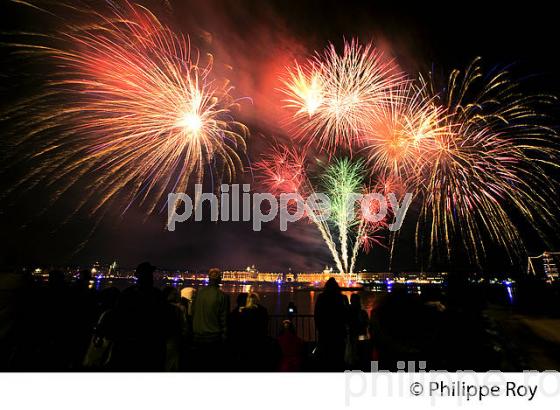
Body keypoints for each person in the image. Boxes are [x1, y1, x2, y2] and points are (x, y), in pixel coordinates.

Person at [110, 262, 166, 371]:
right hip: (148, 345)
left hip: (130, 344)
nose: (151, 277)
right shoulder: (156, 295)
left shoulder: (127, 294)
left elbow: (118, 319)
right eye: (149, 274)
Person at [191, 268, 230, 371]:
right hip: (213, 339)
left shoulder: (198, 293)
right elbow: (224, 320)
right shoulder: (222, 296)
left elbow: (192, 312)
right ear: (219, 279)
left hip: (197, 337)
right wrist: (225, 337)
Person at [314, 277, 349, 371]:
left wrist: (319, 328)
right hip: (339, 331)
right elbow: (346, 314)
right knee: (338, 356)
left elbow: (317, 314)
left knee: (325, 355)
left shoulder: (321, 297)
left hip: (325, 331)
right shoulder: (342, 298)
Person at [348, 293, 370, 370]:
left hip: (353, 334)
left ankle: (353, 364)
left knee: (353, 350)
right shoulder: (362, 312)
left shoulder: (349, 312)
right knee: (361, 350)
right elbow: (366, 323)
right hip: (361, 335)